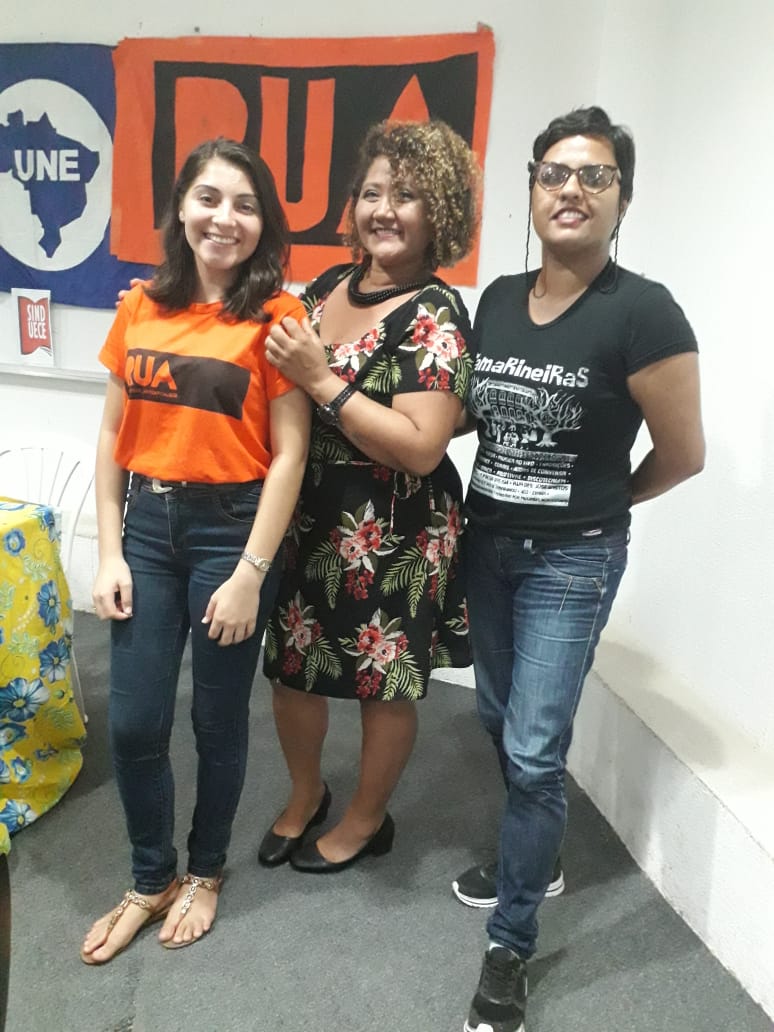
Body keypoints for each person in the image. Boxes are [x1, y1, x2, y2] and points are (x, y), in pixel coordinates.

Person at [458, 107, 705, 1032]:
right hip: (487, 546)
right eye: (554, 173)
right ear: (531, 190)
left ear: (621, 201)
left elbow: (683, 454)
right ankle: (540, 855)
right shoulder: (496, 300)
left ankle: (511, 944)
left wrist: (599, 509)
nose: (572, 189)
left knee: (533, 750)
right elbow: (472, 413)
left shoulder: (643, 311)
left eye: (595, 176)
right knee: (495, 717)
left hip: (571, 560)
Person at [80, 138, 310, 964]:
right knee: (134, 723)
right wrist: (109, 552)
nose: (225, 218)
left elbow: (290, 453)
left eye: (246, 205)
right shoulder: (139, 305)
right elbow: (112, 437)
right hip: (147, 528)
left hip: (231, 533)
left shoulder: (278, 318)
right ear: (181, 207)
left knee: (217, 719)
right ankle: (152, 878)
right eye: (209, 198)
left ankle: (205, 870)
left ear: (264, 223)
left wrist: (251, 572)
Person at [257, 120, 480, 872]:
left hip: (395, 527)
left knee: (383, 685)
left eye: (406, 196)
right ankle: (305, 794)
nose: (384, 209)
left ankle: (364, 819)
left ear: (438, 213)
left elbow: (422, 446)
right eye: (373, 192)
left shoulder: (436, 313)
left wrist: (323, 380)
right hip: (309, 513)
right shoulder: (327, 287)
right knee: (292, 668)